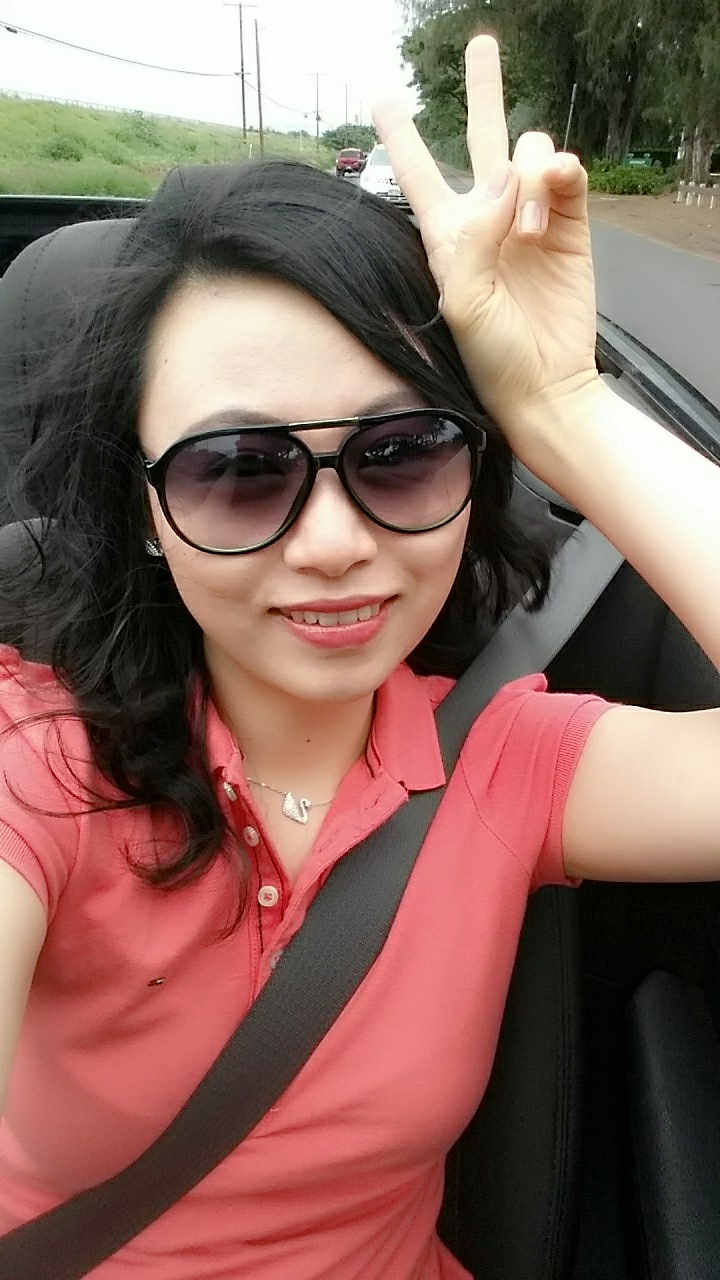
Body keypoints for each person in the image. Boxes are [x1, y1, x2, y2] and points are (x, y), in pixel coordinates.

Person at [0, 33, 717, 1280]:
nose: (334, 544)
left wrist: (565, 408)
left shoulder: (508, 763)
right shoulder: (40, 766)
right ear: (146, 510)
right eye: (237, 470)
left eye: (401, 454)